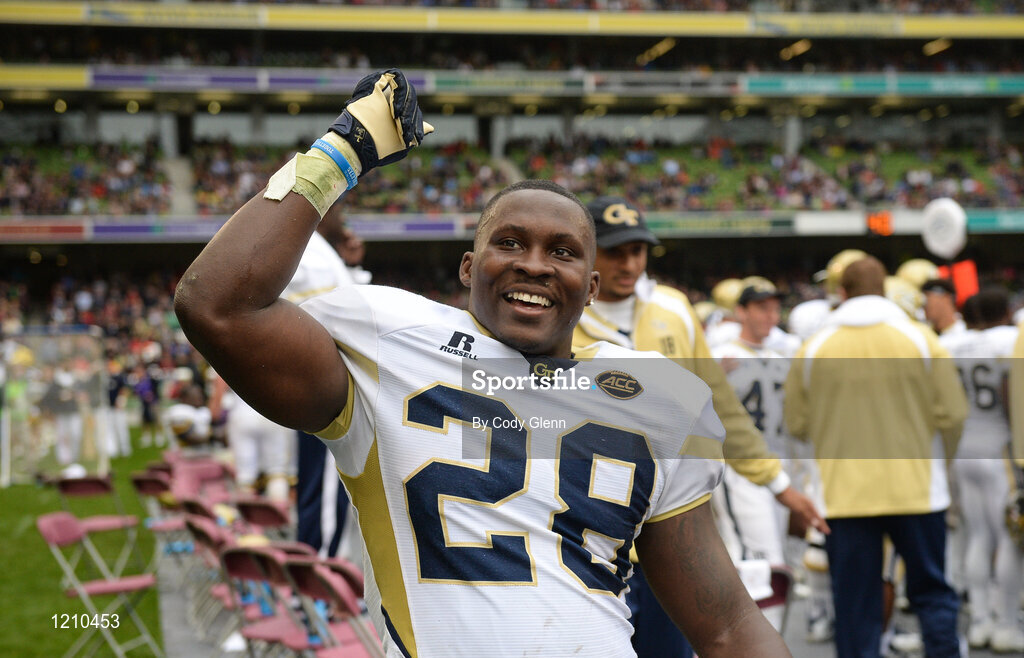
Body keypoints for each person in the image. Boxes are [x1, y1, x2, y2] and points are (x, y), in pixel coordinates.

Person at [174, 69, 790, 657]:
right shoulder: (391, 346)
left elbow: (728, 625)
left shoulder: (653, 394)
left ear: (592, 287)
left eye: (563, 251)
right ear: (469, 269)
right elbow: (216, 305)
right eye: (511, 242)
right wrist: (344, 151)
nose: (535, 265)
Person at [571, 197, 826, 656]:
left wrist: (778, 482)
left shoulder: (674, 309)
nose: (629, 263)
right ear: (587, 251)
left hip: (670, 533)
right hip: (588, 537)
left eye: (638, 250)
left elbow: (719, 407)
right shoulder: (563, 313)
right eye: (615, 252)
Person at [784, 255, 968, 658]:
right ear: (884, 290)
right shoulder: (921, 339)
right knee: (932, 594)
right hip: (918, 491)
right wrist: (939, 462)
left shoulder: (814, 347)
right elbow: (953, 414)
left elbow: (796, 424)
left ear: (842, 293)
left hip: (845, 496)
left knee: (854, 608)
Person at [941, 288, 1022, 651]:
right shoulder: (1009, 339)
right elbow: (1011, 394)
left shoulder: (955, 344)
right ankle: (1005, 624)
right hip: (1000, 448)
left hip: (964, 447)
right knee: (1011, 540)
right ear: (1005, 311)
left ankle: (979, 621)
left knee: (977, 535)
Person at [284, 201, 361, 557]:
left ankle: (313, 577)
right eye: (338, 208)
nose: (343, 218)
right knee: (330, 491)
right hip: (329, 392)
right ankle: (322, 583)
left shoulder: (317, 251)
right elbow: (334, 321)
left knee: (318, 486)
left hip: (314, 389)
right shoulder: (311, 253)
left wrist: (349, 266)